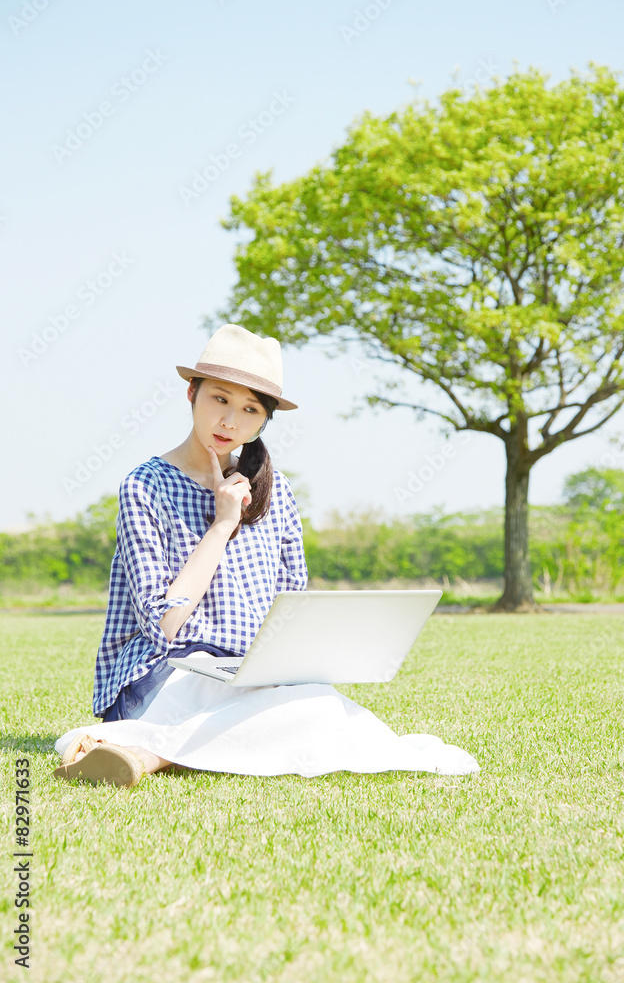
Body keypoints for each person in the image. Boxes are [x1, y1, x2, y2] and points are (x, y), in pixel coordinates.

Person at [53, 325, 480, 787]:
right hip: (163, 677)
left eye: (249, 409)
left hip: (248, 678)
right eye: (219, 399)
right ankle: (150, 740)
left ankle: (143, 751)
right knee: (306, 718)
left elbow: (291, 611)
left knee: (316, 703)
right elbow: (163, 626)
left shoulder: (277, 493)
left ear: (263, 421)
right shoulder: (145, 485)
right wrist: (221, 525)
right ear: (191, 393)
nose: (229, 421)